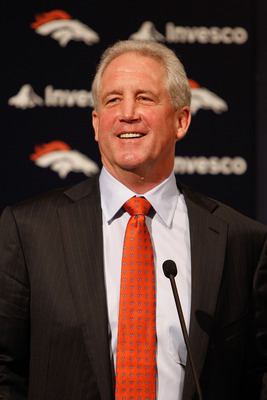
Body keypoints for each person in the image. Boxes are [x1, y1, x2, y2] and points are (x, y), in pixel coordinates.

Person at [0, 40, 266, 400]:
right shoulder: (29, 229)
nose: (128, 113)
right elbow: (6, 369)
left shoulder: (241, 239)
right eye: (112, 100)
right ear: (96, 124)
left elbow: (255, 376)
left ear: (181, 120)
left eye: (145, 98)